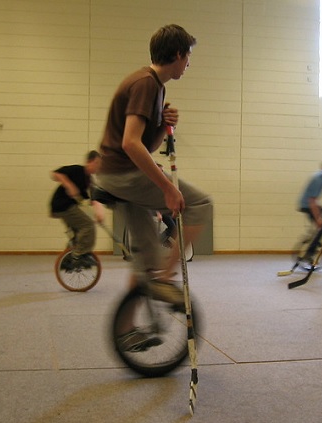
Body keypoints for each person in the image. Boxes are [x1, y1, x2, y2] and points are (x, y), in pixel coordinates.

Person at [95, 25, 212, 322]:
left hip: (119, 173)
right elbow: (130, 144)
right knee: (200, 204)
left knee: (145, 261)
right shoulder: (146, 83)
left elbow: (147, 144)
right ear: (176, 54)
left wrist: (164, 124)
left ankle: (126, 330)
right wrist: (168, 189)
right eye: (188, 57)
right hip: (123, 174)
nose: (189, 63)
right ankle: (165, 277)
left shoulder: (156, 87)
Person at [50, 150, 105, 269]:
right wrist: (69, 184)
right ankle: (77, 256)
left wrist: (99, 213)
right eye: (96, 163)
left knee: (79, 232)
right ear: (89, 162)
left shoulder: (89, 180)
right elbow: (55, 174)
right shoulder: (77, 170)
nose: (98, 166)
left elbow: (94, 199)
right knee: (88, 225)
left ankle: (67, 261)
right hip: (62, 205)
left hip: (66, 206)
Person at [297, 160, 322, 260]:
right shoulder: (317, 180)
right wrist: (318, 219)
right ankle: (310, 252)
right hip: (307, 205)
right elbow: (312, 202)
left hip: (311, 204)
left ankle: (315, 240)